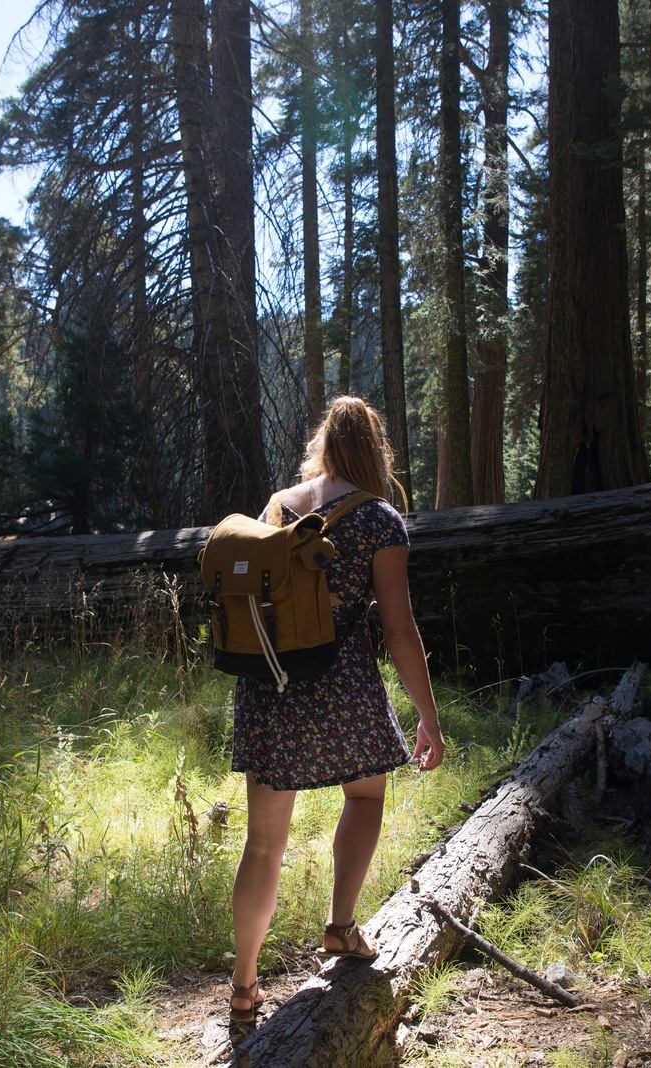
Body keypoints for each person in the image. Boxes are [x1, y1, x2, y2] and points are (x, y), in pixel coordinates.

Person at [227, 395, 444, 1024]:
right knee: (366, 796)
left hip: (270, 685)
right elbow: (400, 631)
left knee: (263, 845)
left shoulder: (277, 507)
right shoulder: (380, 519)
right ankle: (341, 926)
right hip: (344, 687)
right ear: (374, 453)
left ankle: (243, 988)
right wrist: (427, 717)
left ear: (322, 445)